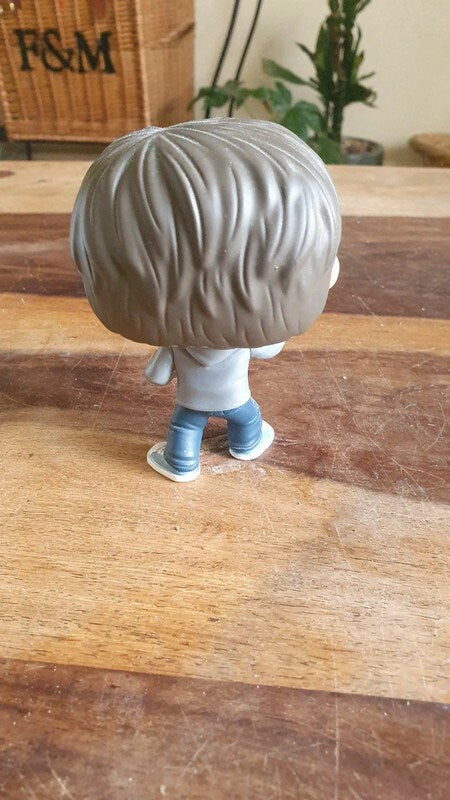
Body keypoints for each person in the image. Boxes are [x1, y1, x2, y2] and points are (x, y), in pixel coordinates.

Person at [70, 118, 341, 482]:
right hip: (236, 396)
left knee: (184, 427)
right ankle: (247, 441)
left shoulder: (177, 344)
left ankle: (181, 462)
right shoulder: (245, 338)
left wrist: (163, 365)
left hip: (190, 402)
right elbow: (268, 350)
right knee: (246, 416)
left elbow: (156, 374)